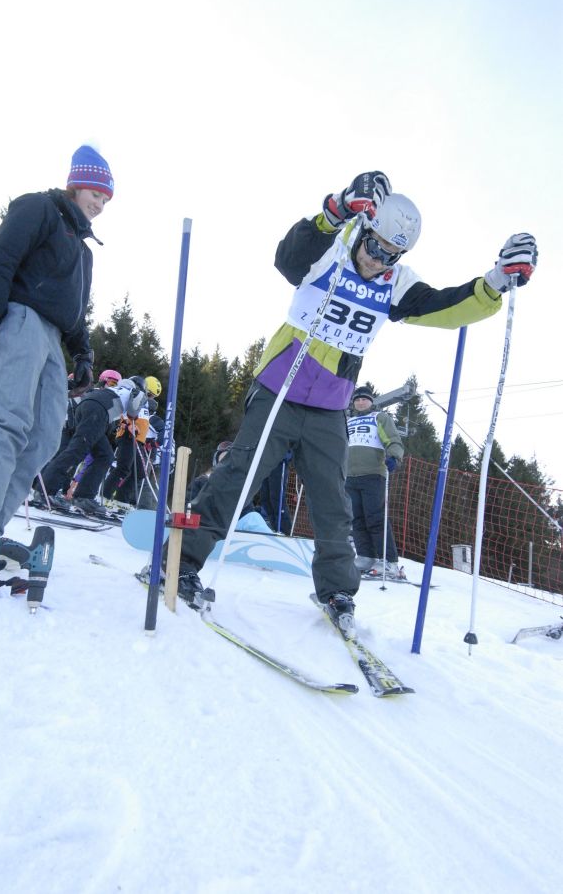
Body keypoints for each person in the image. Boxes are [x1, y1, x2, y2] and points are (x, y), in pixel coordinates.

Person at [170, 171, 537, 625]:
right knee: (237, 478)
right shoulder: (333, 249)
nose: (378, 259)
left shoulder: (395, 282)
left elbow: (443, 305)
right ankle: (182, 564)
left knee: (333, 504)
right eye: (375, 246)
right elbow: (288, 260)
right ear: (364, 230)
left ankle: (338, 592)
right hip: (279, 390)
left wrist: (497, 280)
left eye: (391, 254)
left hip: (329, 407)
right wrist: (337, 209)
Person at [0, 144, 114, 575]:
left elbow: (76, 309)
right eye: (95, 193)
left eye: (105, 199)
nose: (99, 204)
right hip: (18, 318)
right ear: (76, 184)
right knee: (8, 420)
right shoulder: (40, 208)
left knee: (46, 435)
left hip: (51, 338)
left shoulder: (83, 251)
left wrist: (83, 352)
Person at [37, 377, 147, 516]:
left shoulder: (116, 389)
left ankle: (84, 496)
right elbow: (133, 412)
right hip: (99, 411)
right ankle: (46, 491)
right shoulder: (136, 392)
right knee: (76, 450)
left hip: (87, 406)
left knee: (105, 455)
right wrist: (133, 421)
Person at [345, 385, 404, 578]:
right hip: (350, 476)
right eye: (358, 399)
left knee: (375, 517)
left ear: (371, 401)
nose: (361, 402)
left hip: (373, 474)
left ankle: (389, 561)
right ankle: (365, 555)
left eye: (365, 399)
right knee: (357, 518)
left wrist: (394, 456)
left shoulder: (379, 417)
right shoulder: (347, 420)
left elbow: (393, 439)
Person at [103, 375, 162, 504]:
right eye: (150, 395)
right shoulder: (136, 394)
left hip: (138, 440)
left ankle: (121, 501)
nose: (152, 399)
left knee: (139, 473)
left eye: (153, 397)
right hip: (128, 435)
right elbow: (124, 410)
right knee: (123, 468)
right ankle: (104, 496)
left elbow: (144, 422)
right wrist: (125, 424)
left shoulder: (145, 403)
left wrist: (149, 440)